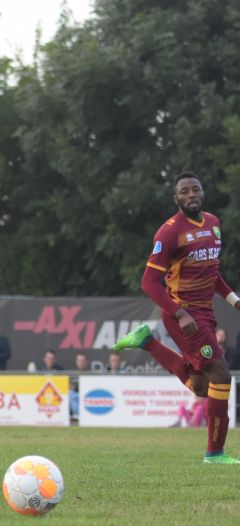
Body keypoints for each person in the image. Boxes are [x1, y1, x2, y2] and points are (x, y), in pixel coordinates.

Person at [115, 171, 240, 464]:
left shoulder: (213, 223)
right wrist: (179, 313)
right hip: (183, 314)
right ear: (176, 199)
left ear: (202, 193)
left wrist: (234, 300)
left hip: (204, 313)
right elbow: (148, 282)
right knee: (221, 375)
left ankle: (147, 342)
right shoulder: (169, 232)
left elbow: (212, 272)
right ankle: (215, 453)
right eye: (184, 191)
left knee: (201, 387)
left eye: (195, 189)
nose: (191, 195)